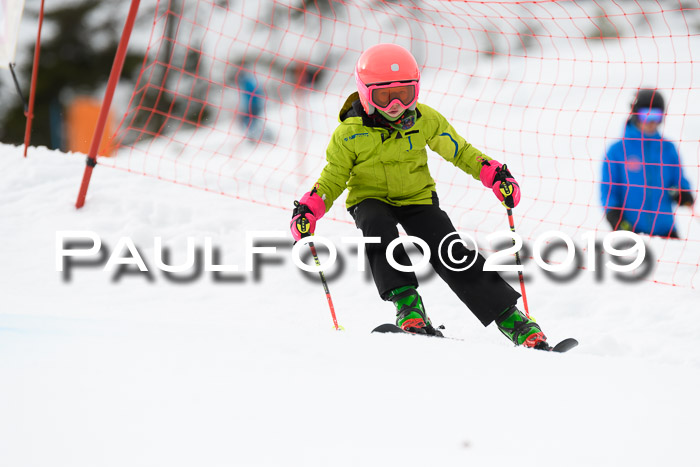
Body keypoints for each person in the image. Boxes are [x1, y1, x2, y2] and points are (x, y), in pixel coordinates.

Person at [290, 43, 549, 349]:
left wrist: (493, 174)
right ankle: (407, 305)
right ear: (365, 94)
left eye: (406, 93)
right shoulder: (349, 133)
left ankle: (510, 317)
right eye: (384, 96)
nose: (396, 104)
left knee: (450, 249)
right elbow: (332, 178)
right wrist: (309, 209)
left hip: (417, 198)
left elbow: (461, 152)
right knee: (377, 229)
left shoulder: (425, 119)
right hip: (369, 198)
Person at [601, 88, 695, 238]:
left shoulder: (668, 149)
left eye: (656, 116)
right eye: (647, 115)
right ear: (636, 114)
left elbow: (679, 181)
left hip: (667, 232)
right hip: (632, 231)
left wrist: (683, 194)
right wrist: (613, 214)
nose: (652, 122)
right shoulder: (617, 151)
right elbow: (608, 190)